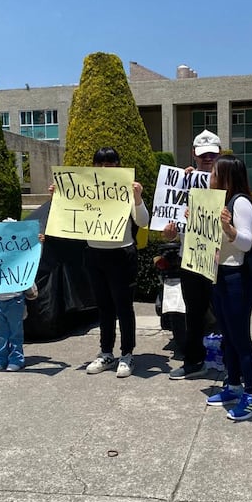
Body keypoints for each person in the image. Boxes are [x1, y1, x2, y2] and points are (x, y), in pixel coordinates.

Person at [204, 156, 252, 420]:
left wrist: (228, 229)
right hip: (220, 274)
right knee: (227, 335)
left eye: (214, 172)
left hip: (237, 277)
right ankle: (233, 385)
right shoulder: (218, 201)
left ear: (226, 176)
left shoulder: (240, 203)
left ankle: (251, 395)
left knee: (240, 337)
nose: (210, 177)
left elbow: (246, 243)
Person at [83, 147, 150, 378]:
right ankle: (106, 352)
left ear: (118, 166)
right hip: (94, 253)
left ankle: (127, 354)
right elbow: (69, 215)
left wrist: (138, 197)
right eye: (100, 164)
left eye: (109, 163)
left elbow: (142, 220)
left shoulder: (126, 190)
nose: (104, 168)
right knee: (104, 307)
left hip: (121, 254)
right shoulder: (86, 189)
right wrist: (59, 198)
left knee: (123, 307)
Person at [166, 129, 221, 380]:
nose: (207, 158)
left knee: (225, 312)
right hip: (190, 257)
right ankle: (194, 361)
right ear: (194, 155)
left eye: (212, 154)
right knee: (194, 313)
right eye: (203, 155)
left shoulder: (228, 181)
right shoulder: (181, 184)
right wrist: (169, 230)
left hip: (222, 259)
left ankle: (228, 359)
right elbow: (170, 231)